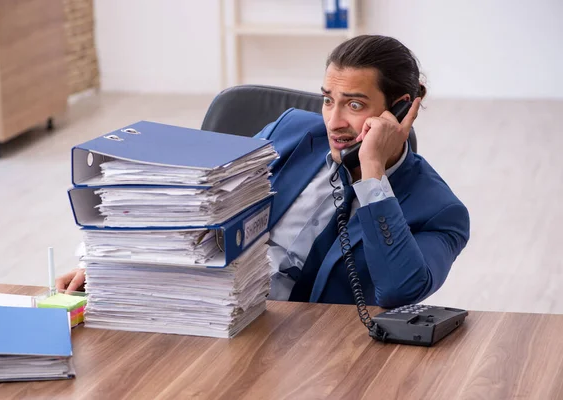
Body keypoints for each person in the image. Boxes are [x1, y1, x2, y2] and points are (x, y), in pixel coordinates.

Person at [58, 35, 470, 308]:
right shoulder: (291, 131)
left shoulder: (439, 210)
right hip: (213, 310)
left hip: (316, 353)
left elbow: (399, 291)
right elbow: (202, 209)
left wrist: (373, 177)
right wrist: (117, 268)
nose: (335, 121)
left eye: (356, 105)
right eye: (329, 100)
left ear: (401, 108)